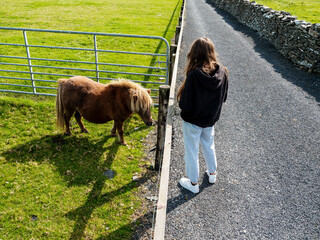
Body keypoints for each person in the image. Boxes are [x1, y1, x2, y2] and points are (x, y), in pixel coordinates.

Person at [177, 37, 229, 193]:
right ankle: (212, 173)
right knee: (209, 145)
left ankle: (193, 184)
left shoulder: (194, 75)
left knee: (192, 151)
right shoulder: (222, 71)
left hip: (192, 122)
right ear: (211, 52)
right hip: (210, 120)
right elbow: (224, 98)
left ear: (194, 54)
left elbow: (185, 104)